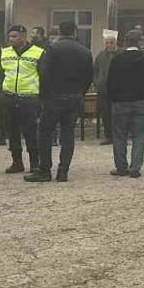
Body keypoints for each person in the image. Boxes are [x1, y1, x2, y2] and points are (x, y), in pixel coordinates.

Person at [25, 20, 92, 183]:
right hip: (74, 97)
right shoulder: (85, 51)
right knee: (68, 134)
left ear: (59, 31)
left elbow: (44, 73)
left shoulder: (51, 49)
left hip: (53, 98)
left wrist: (44, 95)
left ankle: (45, 170)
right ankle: (63, 171)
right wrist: (79, 93)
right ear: (75, 31)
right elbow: (89, 76)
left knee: (45, 133)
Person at [107, 30, 144, 178]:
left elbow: (110, 82)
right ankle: (135, 167)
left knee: (119, 136)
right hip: (142, 102)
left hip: (120, 103)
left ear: (125, 41)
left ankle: (121, 167)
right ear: (139, 42)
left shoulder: (117, 59)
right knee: (139, 137)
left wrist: (114, 99)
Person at [0, 25, 44, 174]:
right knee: (11, 132)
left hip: (29, 98)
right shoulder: (4, 53)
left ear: (23, 37)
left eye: (15, 36)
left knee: (30, 132)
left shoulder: (38, 53)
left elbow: (43, 75)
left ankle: (34, 163)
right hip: (9, 96)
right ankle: (17, 162)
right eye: (10, 36)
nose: (11, 39)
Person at [94, 30, 119, 146]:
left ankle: (119, 136)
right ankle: (109, 136)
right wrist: (96, 83)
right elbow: (95, 71)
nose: (109, 45)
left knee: (118, 114)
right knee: (105, 114)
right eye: (107, 43)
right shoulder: (100, 55)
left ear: (115, 43)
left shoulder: (121, 54)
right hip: (103, 90)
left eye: (111, 43)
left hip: (118, 90)